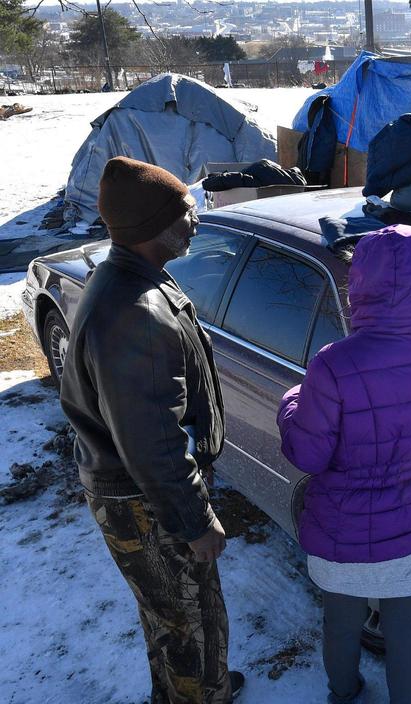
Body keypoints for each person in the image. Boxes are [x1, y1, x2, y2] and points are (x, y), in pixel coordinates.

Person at [59, 157, 241, 703]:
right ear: (152, 228)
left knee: (168, 615)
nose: (195, 219)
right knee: (192, 622)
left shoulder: (126, 278)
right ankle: (200, 692)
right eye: (186, 210)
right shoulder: (136, 312)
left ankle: (185, 688)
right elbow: (155, 444)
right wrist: (194, 522)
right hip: (145, 501)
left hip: (134, 491)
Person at [277, 227, 411, 704]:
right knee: (404, 628)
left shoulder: (334, 364)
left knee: (341, 623)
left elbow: (308, 454)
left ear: (359, 282)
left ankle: (345, 694)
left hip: (341, 530)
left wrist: (292, 401)